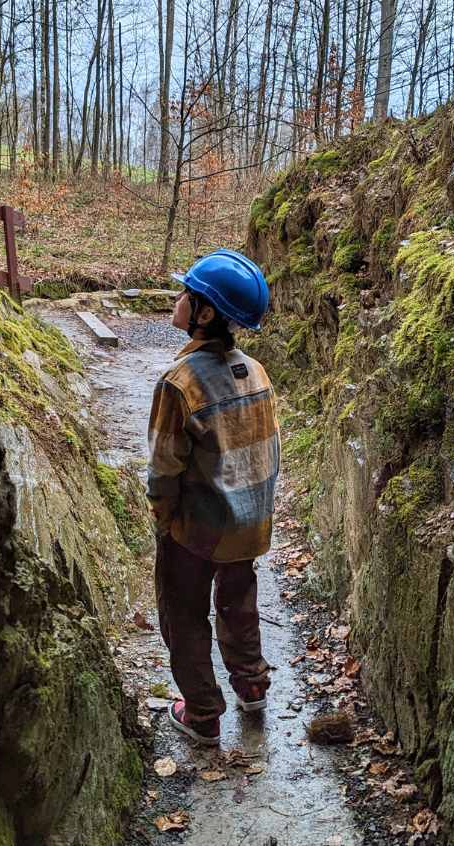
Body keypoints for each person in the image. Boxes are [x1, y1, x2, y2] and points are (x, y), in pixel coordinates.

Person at [146, 248, 280, 746]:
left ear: (205, 314)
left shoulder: (179, 383)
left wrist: (163, 519)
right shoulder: (257, 371)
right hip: (248, 524)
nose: (179, 298)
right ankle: (252, 685)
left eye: (188, 293)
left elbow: (164, 467)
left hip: (198, 526)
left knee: (183, 613)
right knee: (238, 601)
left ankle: (202, 713)